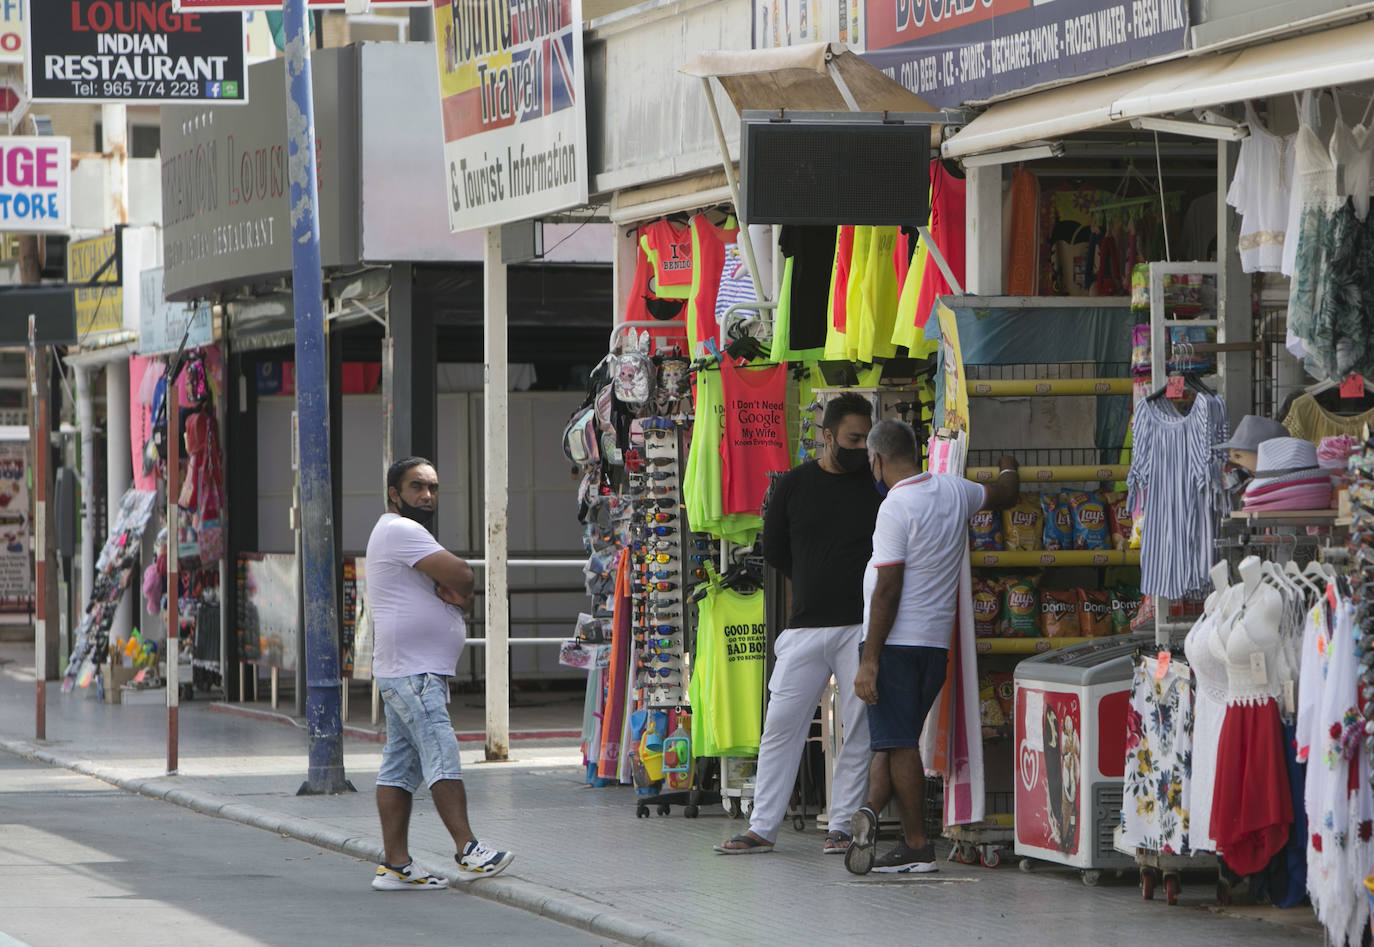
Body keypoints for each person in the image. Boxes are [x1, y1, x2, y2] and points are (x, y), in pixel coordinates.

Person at [845, 420, 1020, 875]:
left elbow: (888, 587)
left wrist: (869, 661)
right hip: (933, 647)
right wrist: (1007, 467)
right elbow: (1004, 494)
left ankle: (918, 845)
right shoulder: (954, 490)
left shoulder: (895, 508)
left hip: (895, 647)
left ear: (878, 460)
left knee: (900, 744)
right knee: (891, 741)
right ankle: (867, 811)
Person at [715, 392, 881, 856]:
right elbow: (776, 553)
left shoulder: (876, 485)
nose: (861, 447)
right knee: (780, 726)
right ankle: (761, 828)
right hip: (805, 627)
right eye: (853, 438)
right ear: (827, 436)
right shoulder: (792, 485)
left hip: (860, 628)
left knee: (858, 731)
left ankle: (843, 827)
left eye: (867, 440)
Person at [367, 456, 514, 891]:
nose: (427, 496)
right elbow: (463, 575)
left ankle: (396, 865)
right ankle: (468, 850)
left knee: (399, 767)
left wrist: (457, 594)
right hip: (414, 673)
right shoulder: (401, 529)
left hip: (405, 669)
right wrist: (460, 591)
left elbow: (456, 586)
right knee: (441, 752)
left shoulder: (399, 533)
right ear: (394, 493)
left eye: (432, 487)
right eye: (416, 487)